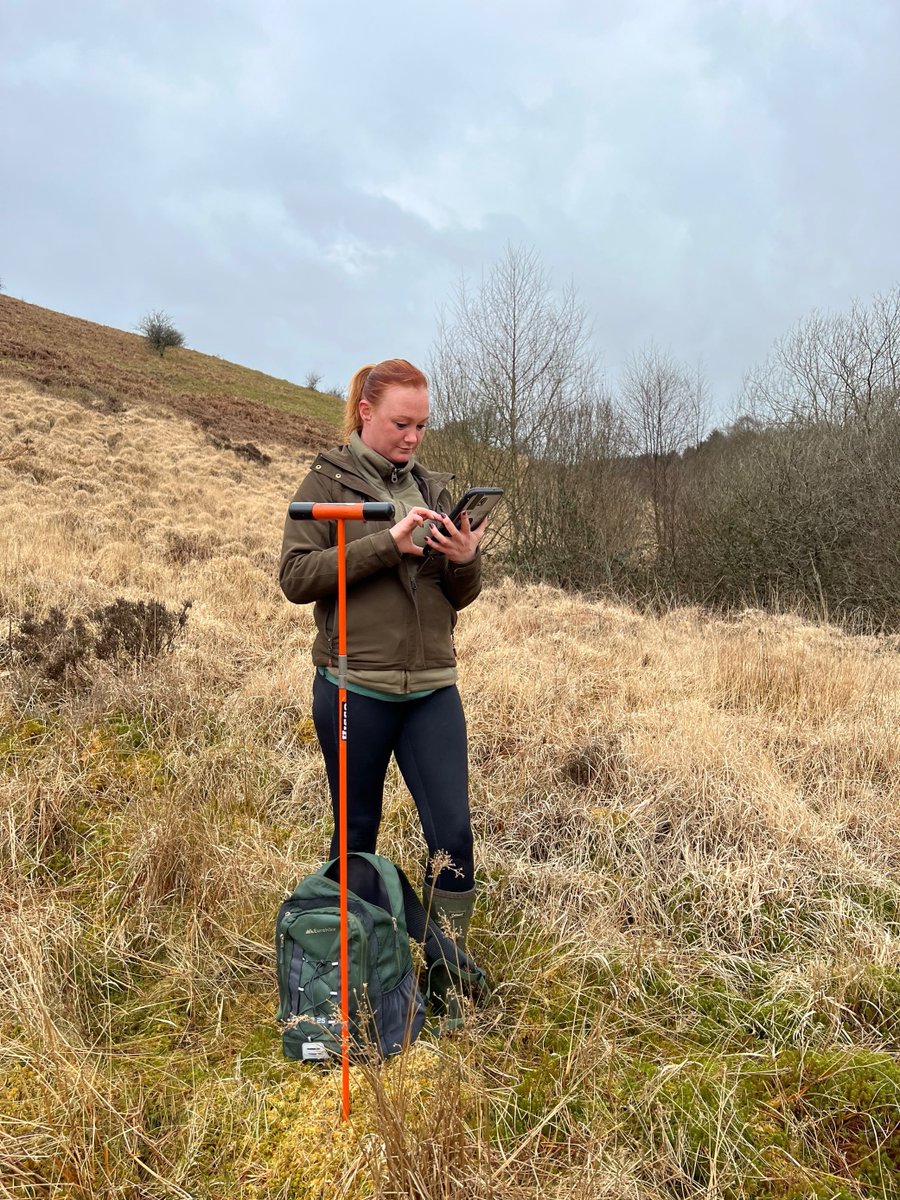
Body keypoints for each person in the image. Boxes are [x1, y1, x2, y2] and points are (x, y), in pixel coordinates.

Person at [279, 358, 489, 949]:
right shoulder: (326, 484)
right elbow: (295, 578)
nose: (413, 438)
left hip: (432, 687)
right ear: (366, 413)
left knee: (453, 834)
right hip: (354, 686)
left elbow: (459, 596)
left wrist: (465, 558)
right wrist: (385, 545)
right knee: (355, 837)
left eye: (421, 426)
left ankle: (446, 968)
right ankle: (358, 965)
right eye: (402, 423)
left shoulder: (432, 489)